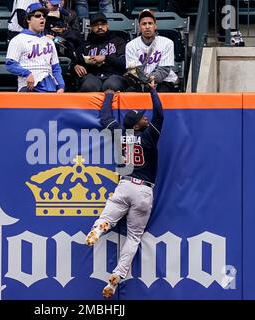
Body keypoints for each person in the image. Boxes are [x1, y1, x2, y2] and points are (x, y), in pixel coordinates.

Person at [85, 83, 164, 299]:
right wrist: (153, 91)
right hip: (143, 191)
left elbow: (105, 117)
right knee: (134, 237)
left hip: (125, 184)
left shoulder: (121, 133)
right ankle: (117, 276)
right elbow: (159, 114)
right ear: (136, 126)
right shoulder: (148, 137)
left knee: (106, 218)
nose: (145, 118)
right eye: (141, 117)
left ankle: (99, 229)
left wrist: (109, 95)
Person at [6, 2, 65, 92]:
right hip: (30, 88)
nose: (42, 18)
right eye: (37, 15)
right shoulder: (18, 40)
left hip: (50, 87)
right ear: (28, 20)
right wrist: (27, 73)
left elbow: (56, 67)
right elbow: (10, 64)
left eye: (44, 16)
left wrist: (61, 86)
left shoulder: (49, 41)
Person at [125, 9, 178, 92]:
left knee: (161, 93)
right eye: (144, 24)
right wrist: (145, 81)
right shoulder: (131, 45)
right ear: (139, 27)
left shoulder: (167, 43)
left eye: (150, 23)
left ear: (155, 26)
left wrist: (153, 78)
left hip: (164, 81)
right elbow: (133, 70)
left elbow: (164, 69)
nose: (147, 27)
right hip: (141, 82)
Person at [72, 13, 127, 92]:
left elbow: (124, 63)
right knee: (89, 86)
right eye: (96, 25)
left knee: (112, 85)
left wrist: (105, 58)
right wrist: (76, 66)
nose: (100, 27)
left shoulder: (118, 41)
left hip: (114, 75)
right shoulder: (85, 44)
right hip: (93, 76)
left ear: (107, 25)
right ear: (91, 27)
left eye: (103, 24)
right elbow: (75, 61)